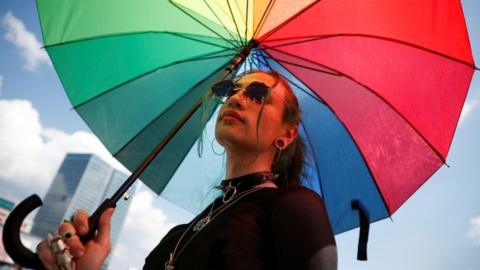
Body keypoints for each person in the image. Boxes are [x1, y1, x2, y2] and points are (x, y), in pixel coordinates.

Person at [37, 70, 338, 270]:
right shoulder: (178, 234)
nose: (235, 98)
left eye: (258, 93)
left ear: (286, 135)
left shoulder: (294, 207)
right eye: (230, 90)